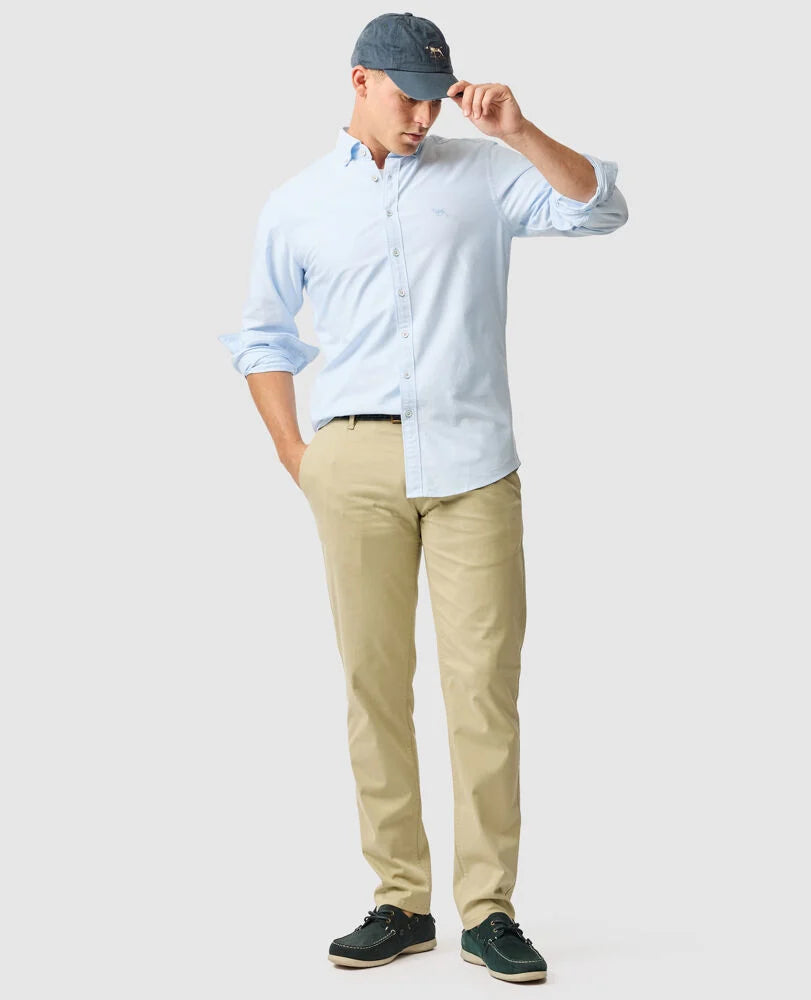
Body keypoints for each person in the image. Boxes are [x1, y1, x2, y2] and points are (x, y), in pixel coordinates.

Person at [218, 11, 628, 985]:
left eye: (435, 98)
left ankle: (488, 910)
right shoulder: (298, 203)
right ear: (359, 81)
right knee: (373, 684)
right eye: (407, 96)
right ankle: (399, 902)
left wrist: (518, 131)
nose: (422, 115)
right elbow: (263, 335)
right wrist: (297, 455)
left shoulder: (484, 174)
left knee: (482, 688)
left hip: (473, 466)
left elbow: (599, 207)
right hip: (352, 462)